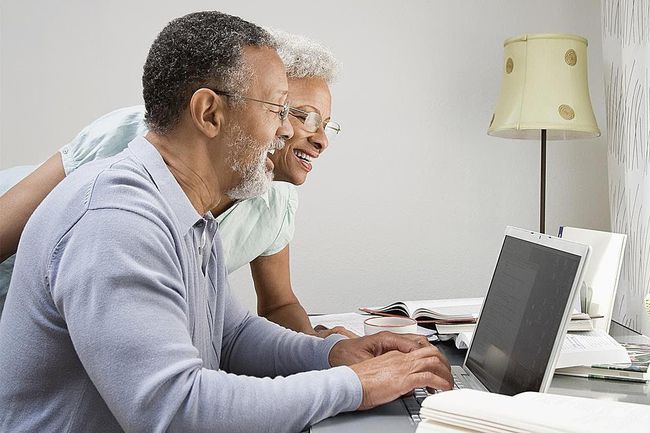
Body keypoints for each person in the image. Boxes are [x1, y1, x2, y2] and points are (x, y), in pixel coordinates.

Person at [0, 11, 452, 433]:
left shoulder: (191, 209)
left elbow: (231, 336)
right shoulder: (118, 221)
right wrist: (357, 385)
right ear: (209, 113)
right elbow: (173, 408)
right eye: (278, 109)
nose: (284, 131)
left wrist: (333, 354)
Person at [0, 30, 352, 337]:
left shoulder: (274, 198)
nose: (320, 140)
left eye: (327, 125)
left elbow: (272, 309)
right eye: (305, 116)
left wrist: (319, 351)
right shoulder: (132, 140)